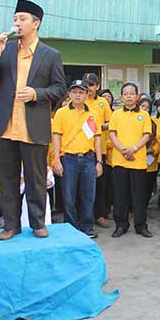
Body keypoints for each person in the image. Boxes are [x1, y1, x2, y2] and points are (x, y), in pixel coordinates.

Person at [0, 0, 67, 241]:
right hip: (6, 126)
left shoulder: (50, 55)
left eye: (22, 19)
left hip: (33, 126)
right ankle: (11, 225)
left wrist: (36, 93)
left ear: (36, 23)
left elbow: (60, 88)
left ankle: (38, 223)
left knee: (36, 179)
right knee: (7, 179)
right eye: (15, 18)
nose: (16, 23)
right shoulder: (6, 50)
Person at [51, 79, 104, 238]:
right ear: (69, 94)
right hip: (68, 159)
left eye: (81, 92)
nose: (77, 95)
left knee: (89, 196)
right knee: (69, 196)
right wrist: (56, 159)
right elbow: (56, 136)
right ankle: (71, 229)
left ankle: (87, 228)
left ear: (87, 94)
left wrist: (99, 161)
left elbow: (97, 138)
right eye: (74, 92)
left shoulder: (93, 114)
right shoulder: (61, 113)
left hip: (88, 159)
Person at [108, 82, 154, 238]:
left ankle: (141, 225)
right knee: (120, 195)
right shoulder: (115, 115)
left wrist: (133, 149)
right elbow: (112, 134)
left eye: (131, 93)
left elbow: (147, 135)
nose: (128, 96)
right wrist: (123, 150)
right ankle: (121, 225)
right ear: (121, 97)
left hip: (138, 161)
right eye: (125, 93)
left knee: (139, 195)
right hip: (119, 160)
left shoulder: (145, 115)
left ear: (137, 96)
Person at [90, 82, 115, 229]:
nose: (89, 88)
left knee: (100, 185)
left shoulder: (102, 102)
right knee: (85, 186)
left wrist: (97, 127)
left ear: (97, 86)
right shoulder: (80, 101)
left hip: (101, 149)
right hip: (83, 149)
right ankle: (85, 215)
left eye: (92, 85)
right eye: (87, 84)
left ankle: (100, 214)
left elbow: (111, 122)